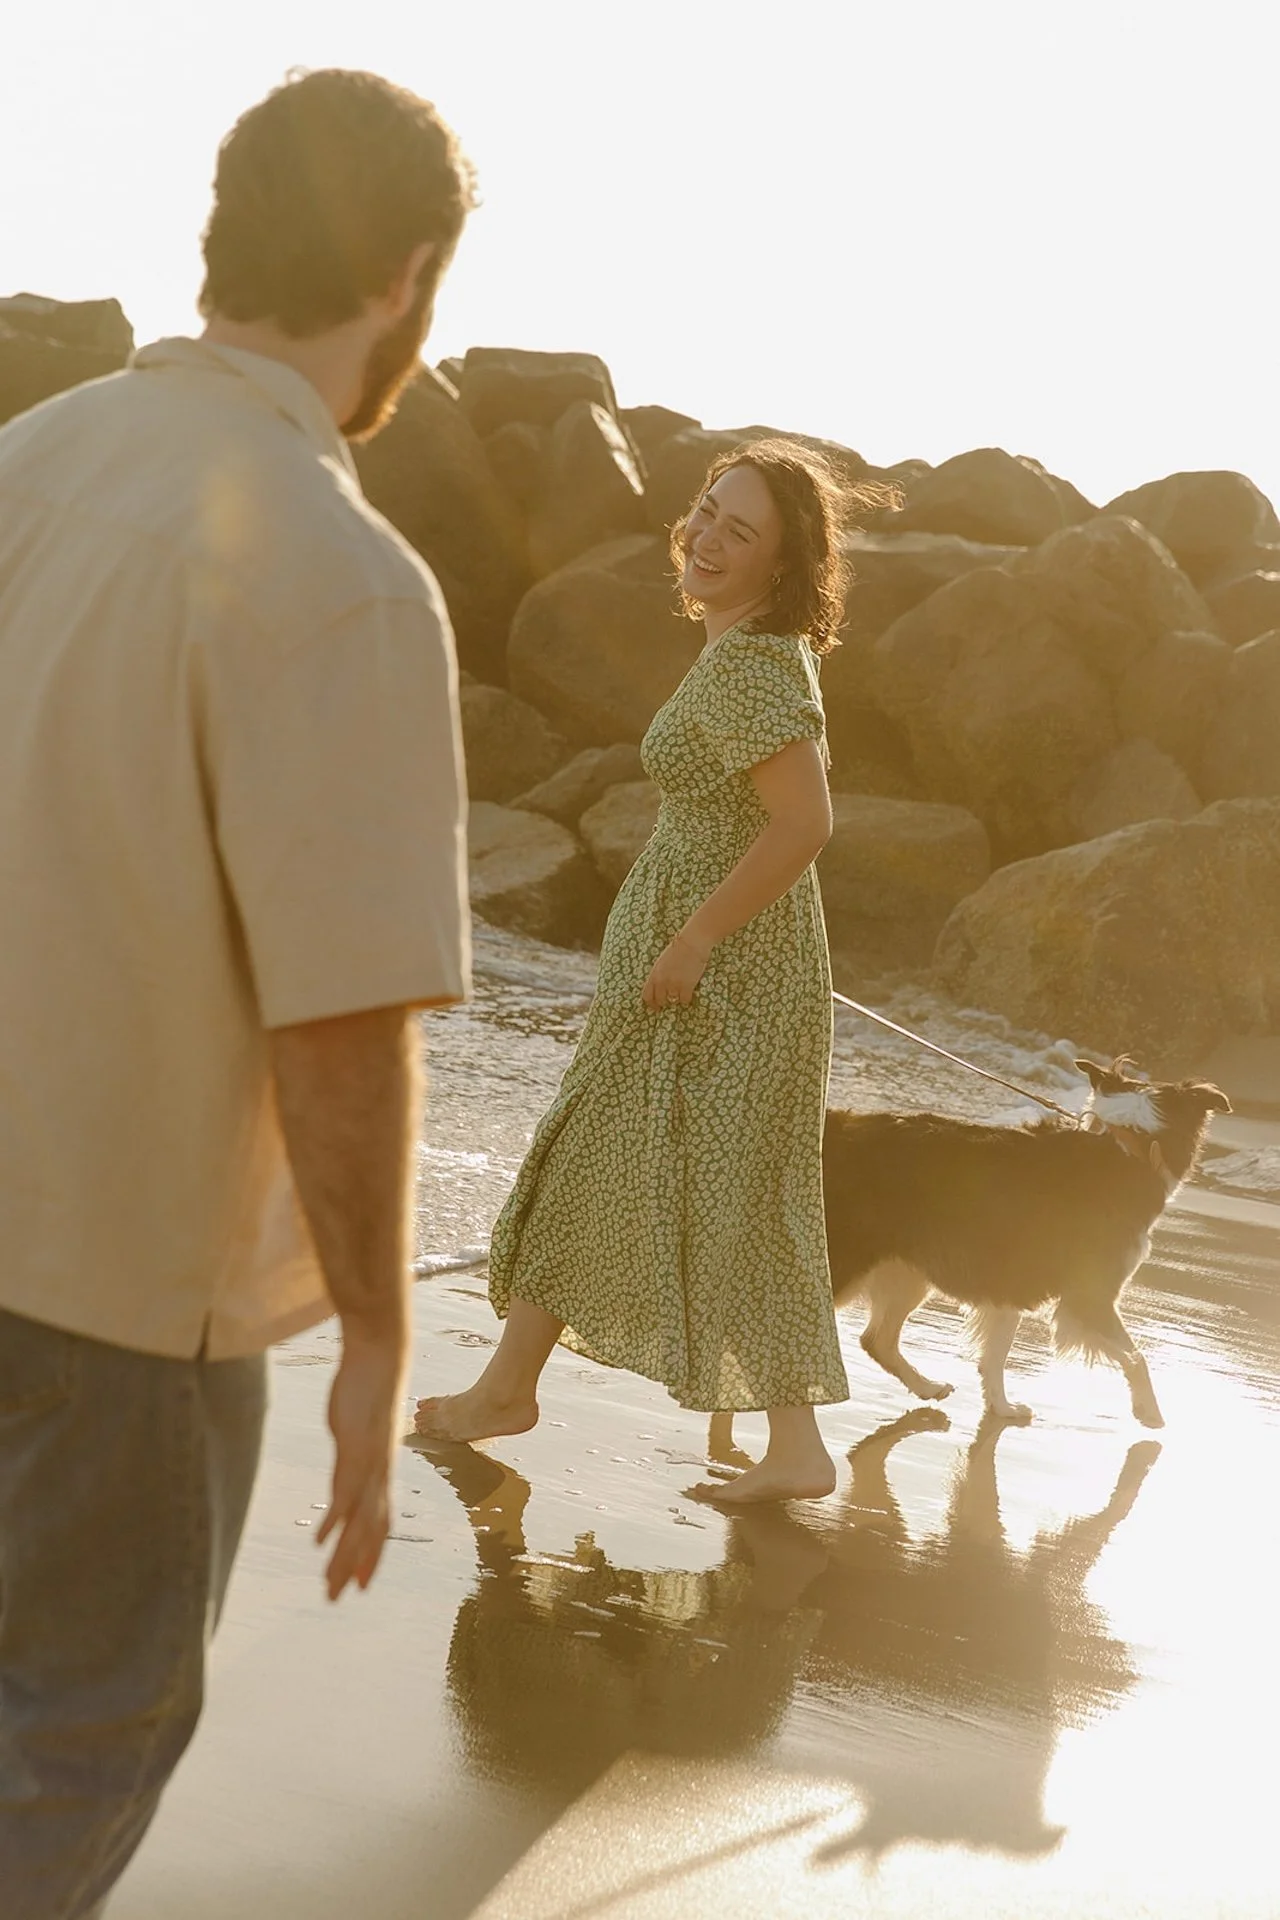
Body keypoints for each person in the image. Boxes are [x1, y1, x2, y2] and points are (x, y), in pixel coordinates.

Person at [0, 69, 474, 1918]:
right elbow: (344, 1019)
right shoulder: (342, 575)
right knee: (64, 1755)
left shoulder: (25, 465)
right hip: (119, 1299)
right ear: (408, 273)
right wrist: (371, 1336)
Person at [418, 440, 879, 1502]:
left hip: (724, 979)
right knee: (640, 1167)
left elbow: (804, 824)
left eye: (740, 531)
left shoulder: (760, 663)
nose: (709, 539)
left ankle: (515, 1396)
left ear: (782, 563)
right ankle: (515, 1391)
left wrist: (695, 938)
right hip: (704, 966)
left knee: (719, 1186)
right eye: (707, 513)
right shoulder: (741, 650)